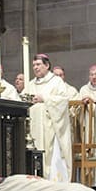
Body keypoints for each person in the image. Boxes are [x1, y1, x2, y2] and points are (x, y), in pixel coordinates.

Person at [24, 54, 73, 183]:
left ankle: (54, 184)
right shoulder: (30, 84)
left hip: (51, 129)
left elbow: (63, 101)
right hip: (34, 128)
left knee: (52, 158)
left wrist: (44, 99)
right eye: (34, 65)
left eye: (38, 64)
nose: (35, 67)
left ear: (47, 65)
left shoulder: (56, 81)